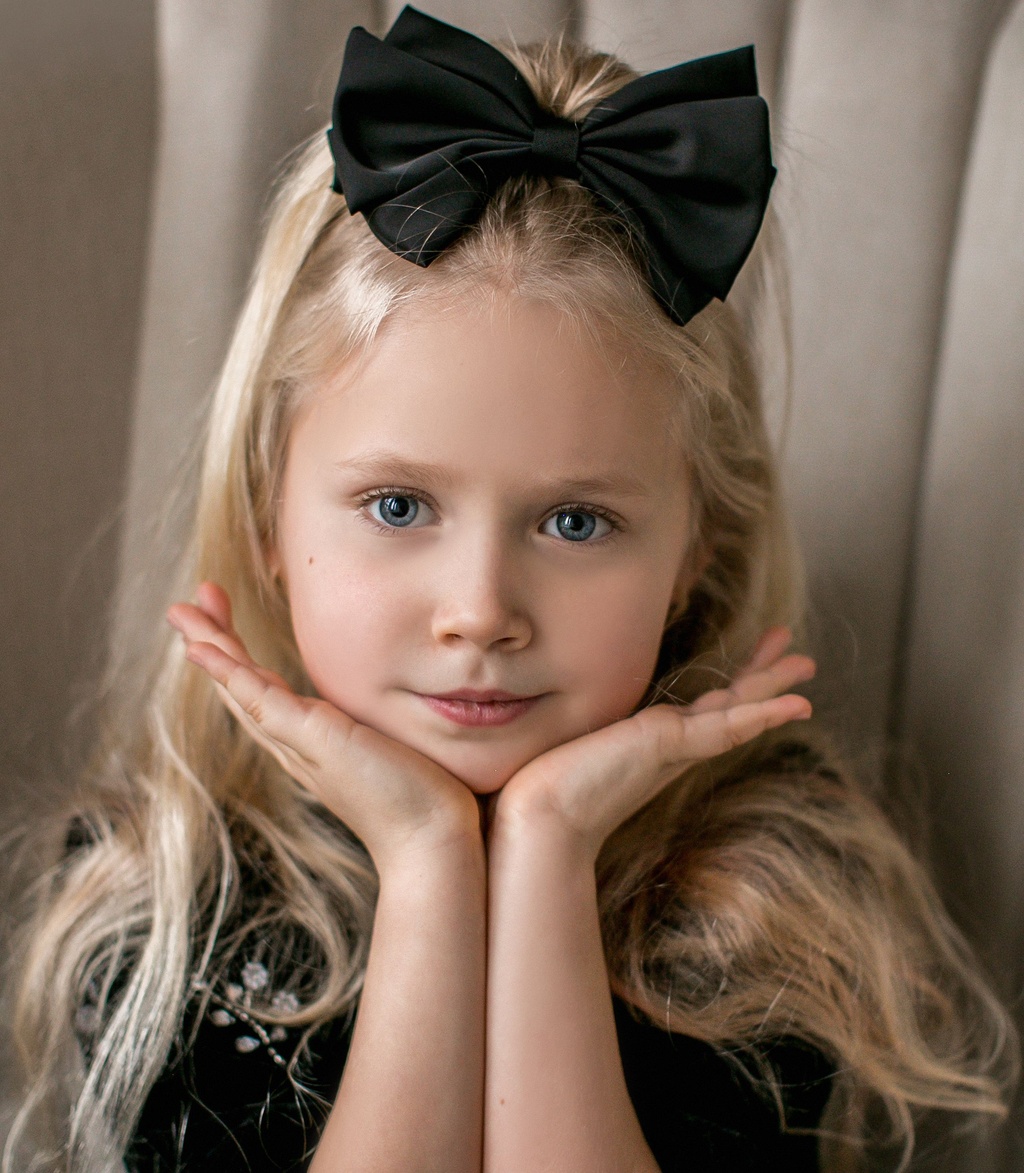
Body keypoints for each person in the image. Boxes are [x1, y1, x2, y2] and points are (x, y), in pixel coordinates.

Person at [2, 7, 1017, 1172]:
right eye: (397, 507)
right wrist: (432, 864)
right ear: (268, 509)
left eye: (575, 521)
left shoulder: (775, 889)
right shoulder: (164, 876)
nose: (480, 611)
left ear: (698, 552)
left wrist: (543, 854)